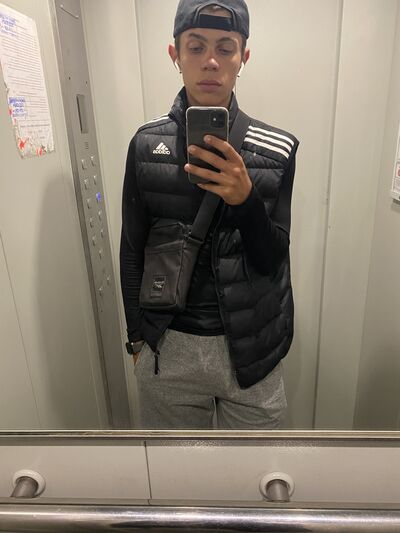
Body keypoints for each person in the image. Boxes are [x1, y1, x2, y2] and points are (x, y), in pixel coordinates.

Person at [120, 0, 299, 429]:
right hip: (170, 348)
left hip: (254, 351)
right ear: (175, 55)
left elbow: (273, 258)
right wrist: (137, 338)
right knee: (176, 470)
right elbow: (131, 248)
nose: (211, 62)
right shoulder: (145, 145)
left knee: (255, 469)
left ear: (243, 57)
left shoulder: (277, 149)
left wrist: (246, 199)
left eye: (225, 47)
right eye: (196, 47)